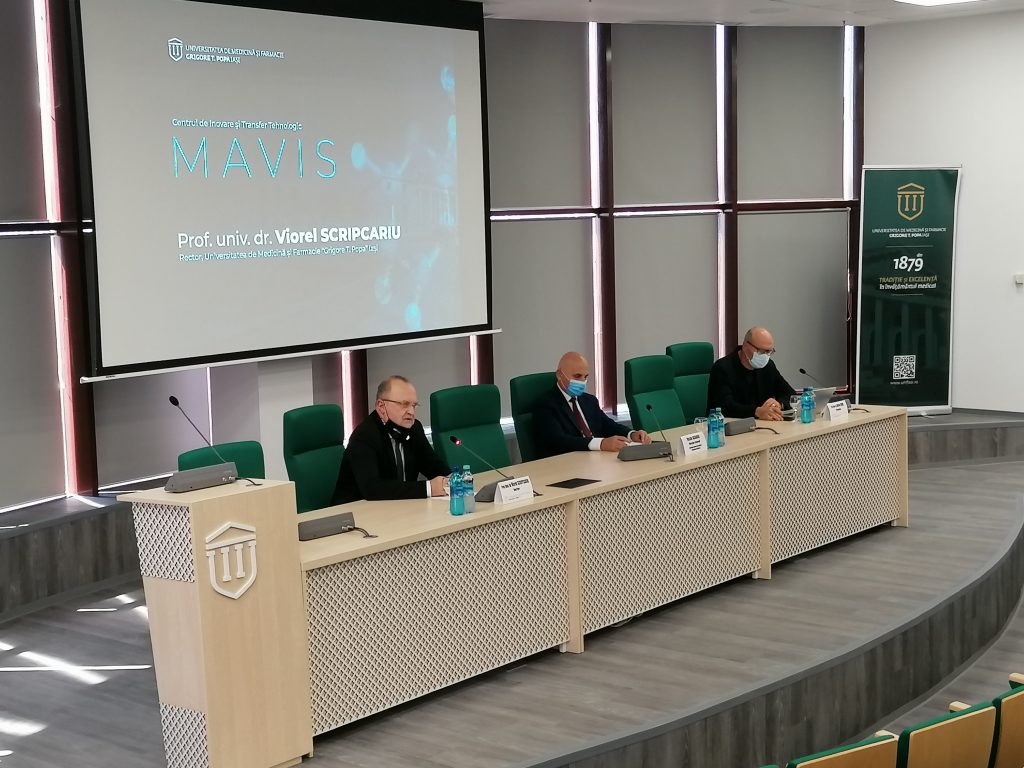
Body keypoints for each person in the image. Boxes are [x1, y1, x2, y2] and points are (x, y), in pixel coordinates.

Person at [335, 375, 451, 503]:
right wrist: (428, 488)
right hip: (356, 510)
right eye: (404, 404)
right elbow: (372, 488)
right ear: (381, 406)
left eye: (414, 405)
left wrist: (454, 479)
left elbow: (433, 466)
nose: (411, 412)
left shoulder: (414, 429)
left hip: (400, 506)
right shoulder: (364, 436)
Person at [533, 351, 652, 459]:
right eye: (577, 376)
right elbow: (559, 441)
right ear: (559, 375)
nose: (582, 381)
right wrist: (601, 443)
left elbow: (608, 425)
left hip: (597, 459)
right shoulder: (545, 405)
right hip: (567, 464)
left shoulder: (589, 400)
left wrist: (632, 434)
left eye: (585, 377)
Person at [707, 327, 796, 421]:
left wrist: (778, 404)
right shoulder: (722, 368)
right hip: (729, 425)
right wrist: (756, 411)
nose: (765, 356)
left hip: (763, 424)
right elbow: (725, 406)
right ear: (745, 346)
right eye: (761, 351)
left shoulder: (768, 366)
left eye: (769, 351)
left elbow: (790, 394)